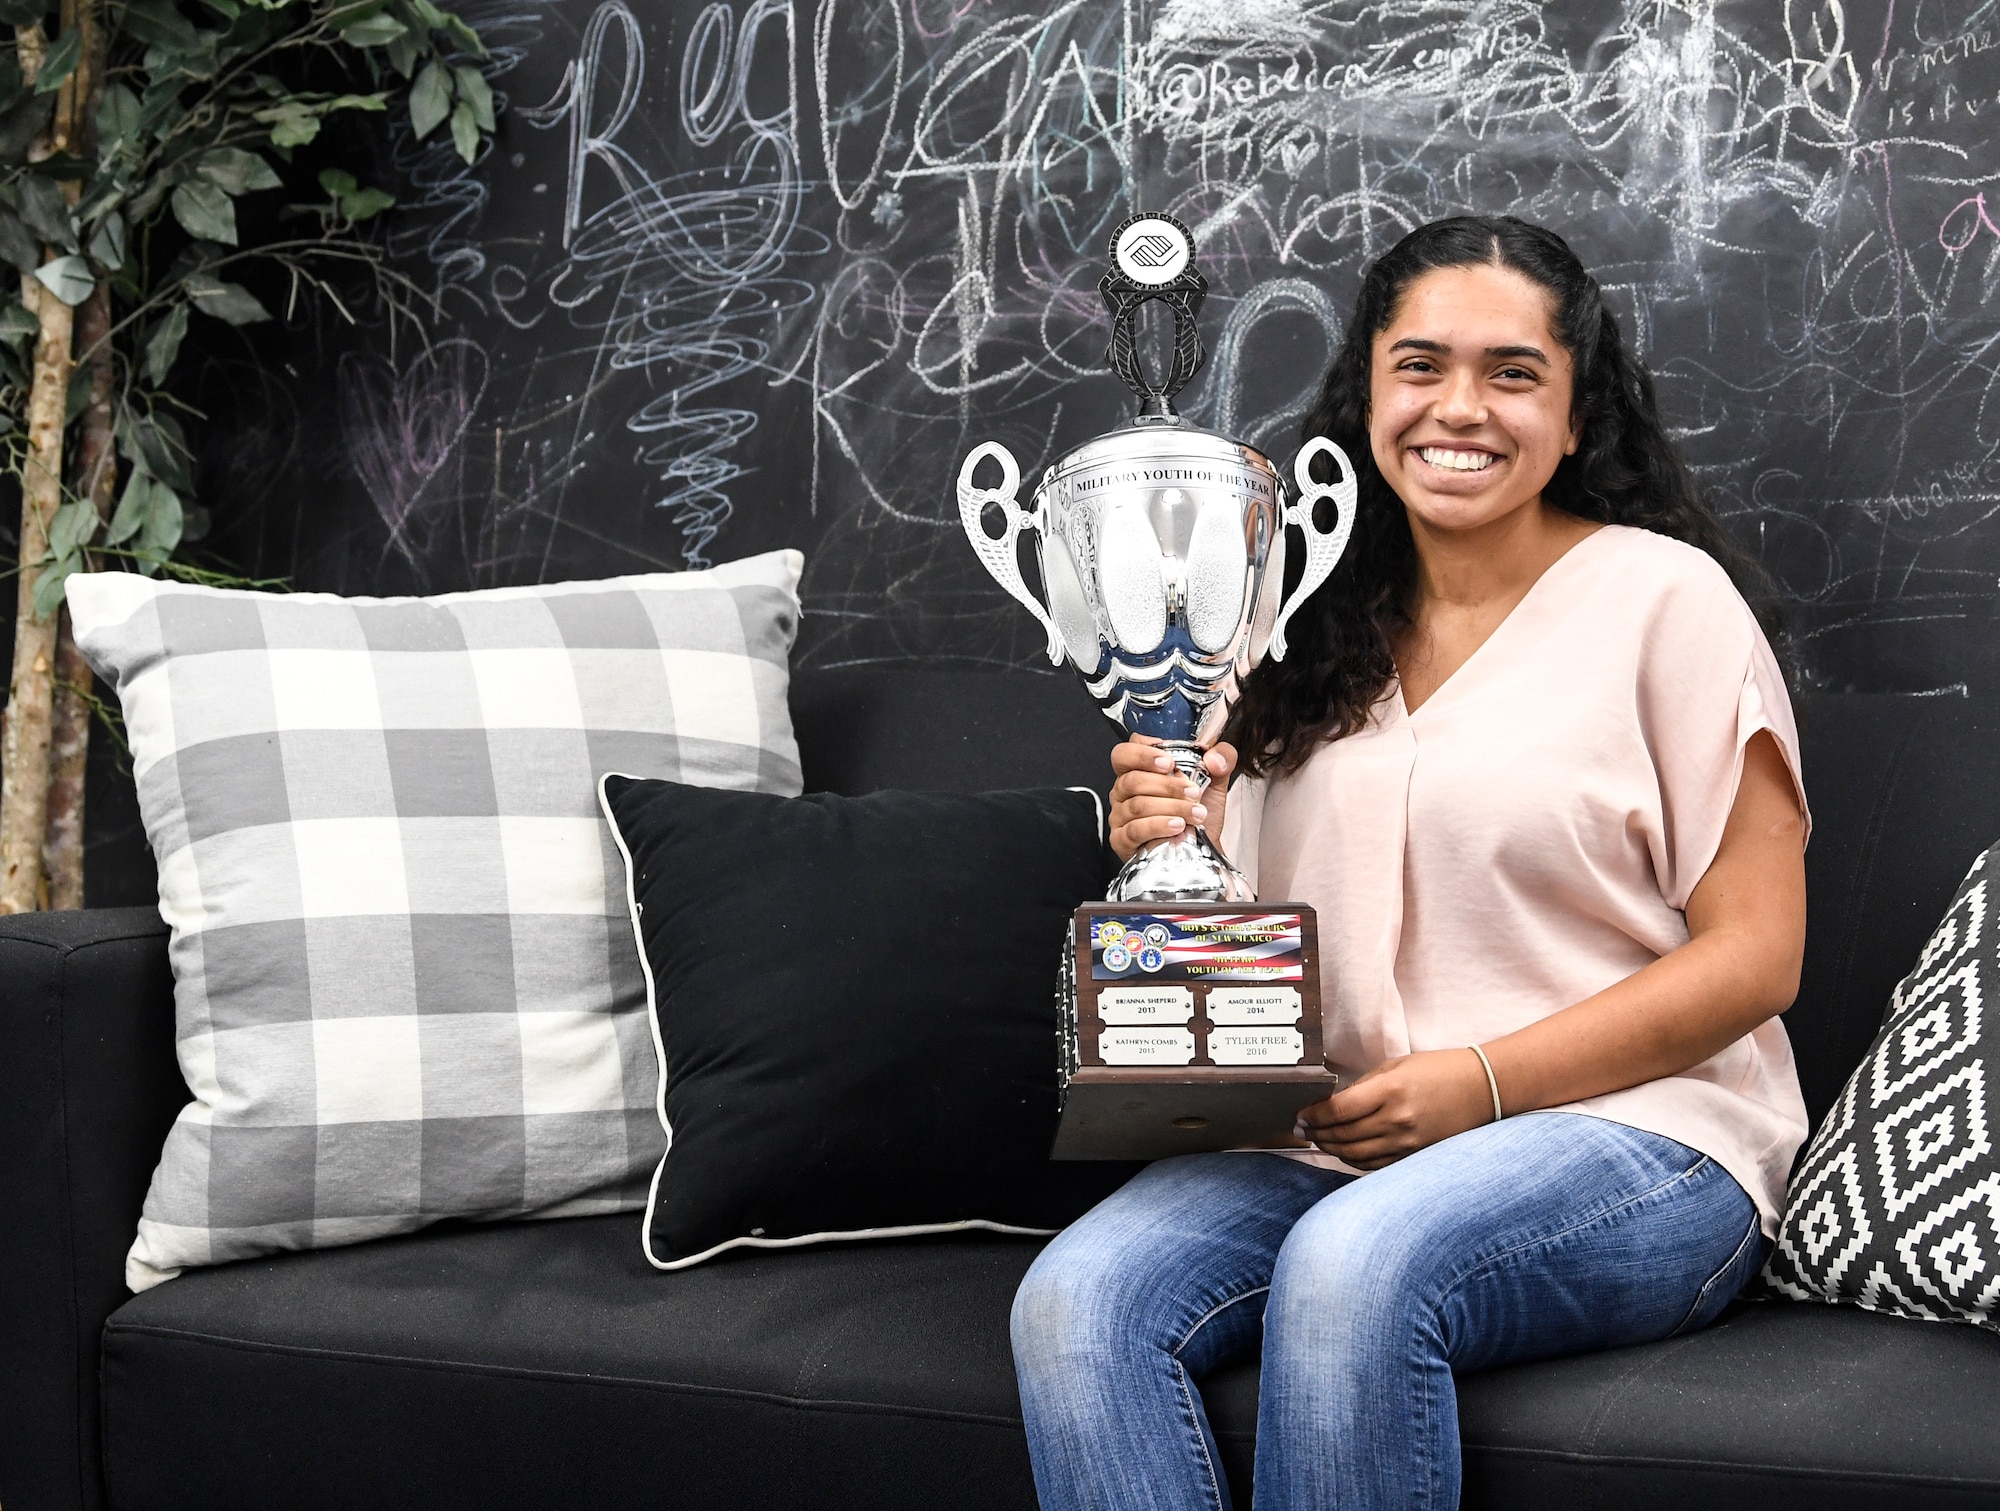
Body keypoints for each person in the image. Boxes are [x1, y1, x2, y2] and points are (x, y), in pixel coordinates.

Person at [1009, 215, 1810, 1511]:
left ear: (1573, 409)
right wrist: (1164, 838)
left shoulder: (1670, 602)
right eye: (1422, 365)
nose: (1461, 407)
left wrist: (1484, 1083)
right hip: (1329, 1142)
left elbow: (1758, 955)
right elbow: (1250, 942)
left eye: (1512, 372)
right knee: (1078, 1299)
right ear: (1370, 387)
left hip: (1634, 1137)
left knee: (1359, 1264)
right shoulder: (1285, 620)